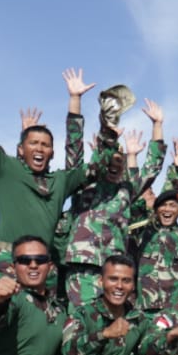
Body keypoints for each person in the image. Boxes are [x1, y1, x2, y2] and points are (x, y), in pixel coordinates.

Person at [0, 55, 96, 262]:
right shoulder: (6, 168)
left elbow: (84, 161)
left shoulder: (60, 181)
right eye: (33, 143)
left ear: (52, 153)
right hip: (7, 262)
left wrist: (76, 101)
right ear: (20, 149)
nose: (40, 148)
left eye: (45, 145)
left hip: (44, 267)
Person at [59, 102, 167, 306]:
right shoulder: (84, 185)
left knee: (113, 326)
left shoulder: (126, 190)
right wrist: (77, 101)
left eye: (119, 162)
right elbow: (73, 152)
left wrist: (157, 125)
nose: (114, 166)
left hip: (115, 269)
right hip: (84, 267)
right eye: (110, 162)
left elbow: (152, 168)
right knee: (83, 325)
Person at [131, 138, 178, 314]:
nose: (166, 209)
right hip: (144, 312)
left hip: (177, 312)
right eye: (162, 205)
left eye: (172, 206)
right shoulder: (143, 231)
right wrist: (132, 157)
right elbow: (133, 197)